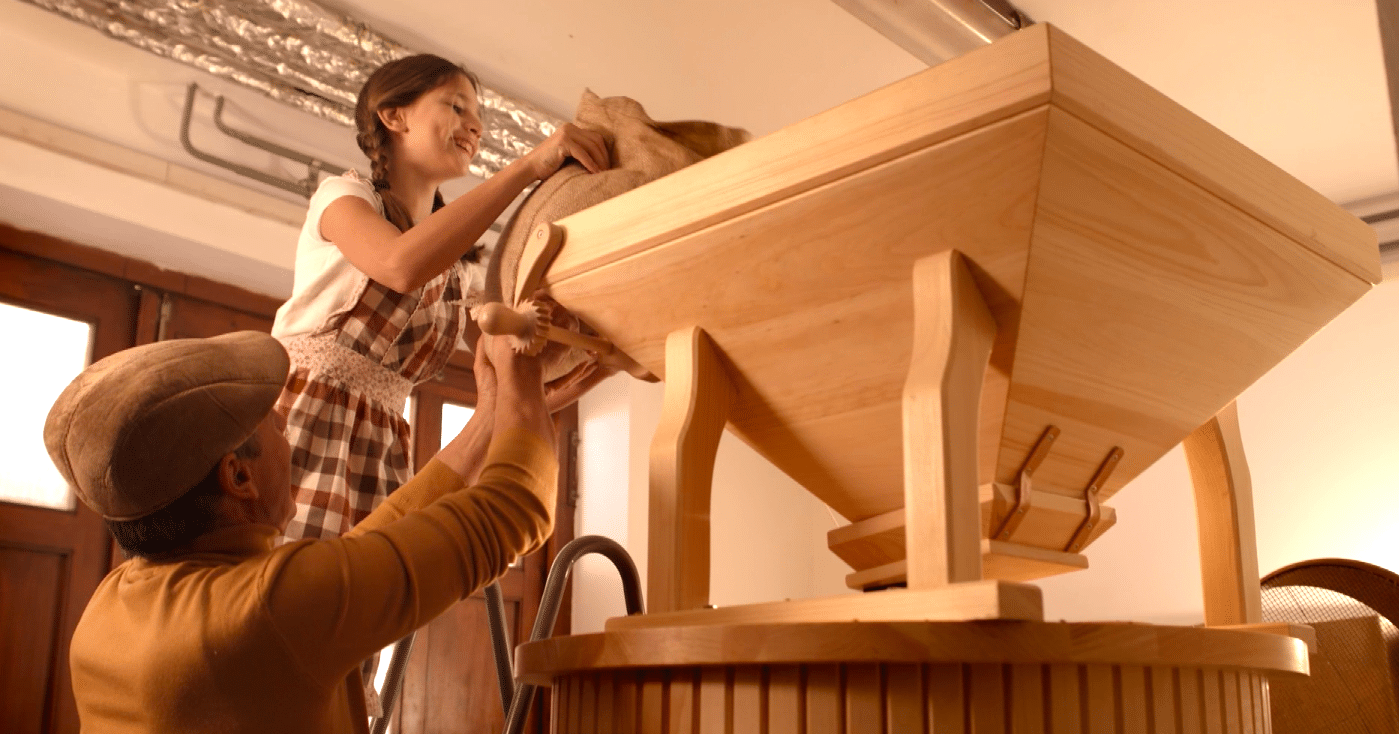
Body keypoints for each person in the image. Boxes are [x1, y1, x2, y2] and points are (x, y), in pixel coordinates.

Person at [44, 330, 553, 733]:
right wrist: (522, 379)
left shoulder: (112, 605)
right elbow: (515, 507)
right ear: (238, 476)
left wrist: (491, 413)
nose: (289, 439)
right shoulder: (270, 610)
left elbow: (357, 555)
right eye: (277, 425)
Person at [270, 53, 610, 544]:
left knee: (369, 601)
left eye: (477, 117)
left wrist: (603, 361)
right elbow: (399, 264)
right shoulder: (343, 196)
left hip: (380, 445)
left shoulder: (453, 274)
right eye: (456, 106)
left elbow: (512, 379)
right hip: (301, 424)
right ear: (394, 116)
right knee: (289, 586)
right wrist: (527, 167)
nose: (474, 126)